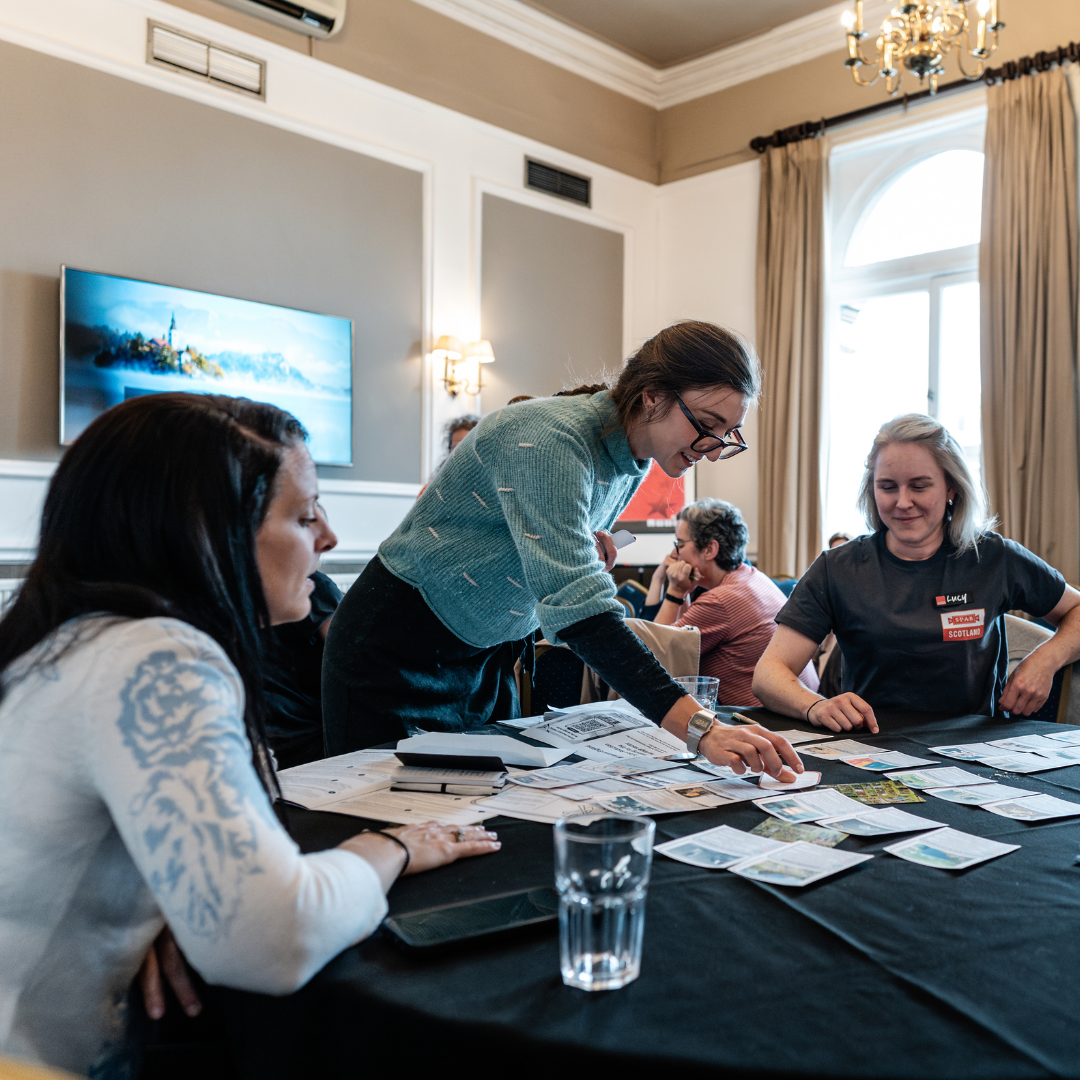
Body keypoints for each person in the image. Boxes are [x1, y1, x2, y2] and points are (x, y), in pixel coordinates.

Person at [0, 394, 499, 1079]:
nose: (329, 537)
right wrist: (391, 847)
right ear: (210, 532)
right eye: (304, 514)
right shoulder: (158, 661)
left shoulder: (64, 640)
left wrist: (167, 902)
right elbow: (275, 937)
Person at [323, 321, 804, 781]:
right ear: (653, 394)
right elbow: (582, 612)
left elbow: (536, 560)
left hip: (484, 657)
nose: (713, 448)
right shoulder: (551, 438)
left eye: (727, 434)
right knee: (376, 813)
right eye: (707, 424)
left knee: (479, 818)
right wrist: (702, 729)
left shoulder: (630, 458)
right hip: (396, 649)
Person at [753, 413, 1080, 731]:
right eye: (887, 487)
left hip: (971, 746)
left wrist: (1044, 660)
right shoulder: (837, 568)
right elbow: (769, 674)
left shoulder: (995, 557)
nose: (903, 502)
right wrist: (815, 705)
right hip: (870, 745)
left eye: (920, 486)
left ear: (951, 487)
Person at [643, 498, 818, 706]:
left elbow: (652, 656)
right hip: (798, 708)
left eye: (680, 544)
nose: (675, 554)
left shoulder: (720, 601)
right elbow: (682, 635)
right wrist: (684, 590)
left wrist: (674, 592)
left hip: (764, 719)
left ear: (709, 549)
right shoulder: (753, 576)